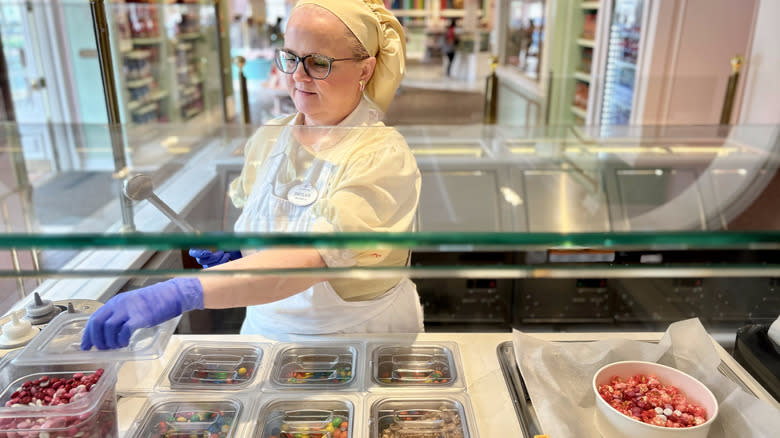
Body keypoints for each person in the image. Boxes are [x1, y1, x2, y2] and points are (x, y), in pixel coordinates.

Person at [80, 0, 423, 350]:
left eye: (318, 63)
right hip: (265, 336)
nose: (297, 76)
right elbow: (270, 236)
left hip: (357, 343)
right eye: (290, 57)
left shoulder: (381, 156)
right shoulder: (270, 138)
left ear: (366, 69)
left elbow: (308, 259)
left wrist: (183, 292)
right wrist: (242, 252)